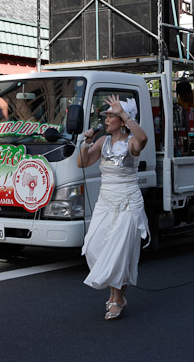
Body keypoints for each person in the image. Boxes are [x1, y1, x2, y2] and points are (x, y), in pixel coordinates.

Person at [77, 95, 149, 320]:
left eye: (111, 116)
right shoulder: (102, 142)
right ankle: (115, 293)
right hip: (105, 201)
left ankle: (118, 298)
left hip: (128, 202)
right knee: (93, 247)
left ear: (122, 121)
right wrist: (86, 143)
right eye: (106, 116)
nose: (106, 120)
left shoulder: (130, 143)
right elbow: (82, 163)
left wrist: (126, 115)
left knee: (119, 251)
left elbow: (143, 138)